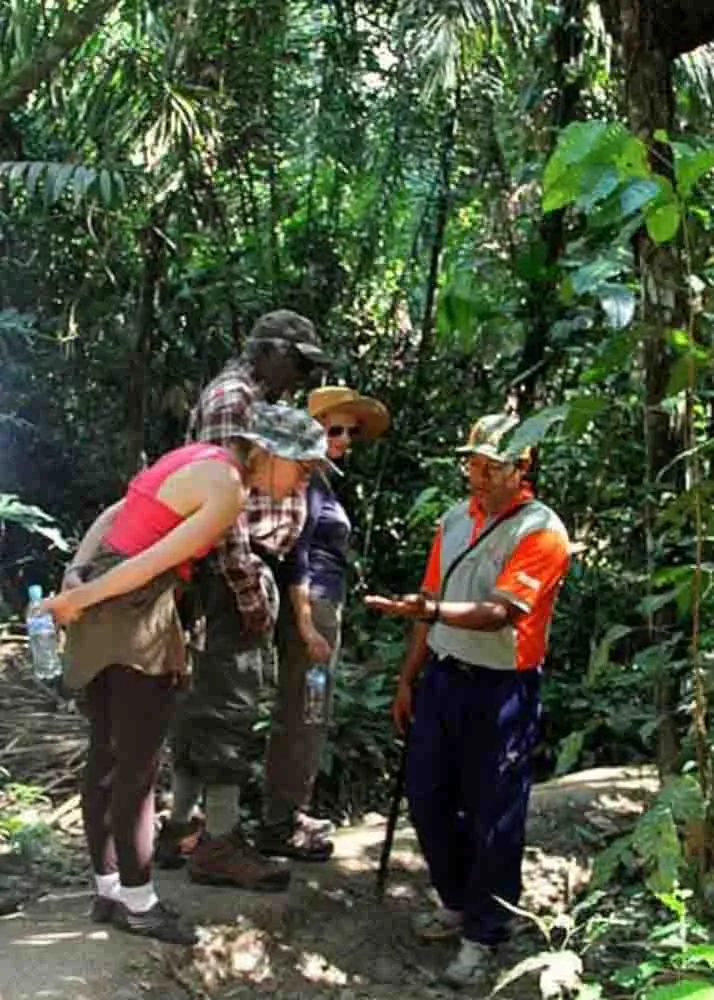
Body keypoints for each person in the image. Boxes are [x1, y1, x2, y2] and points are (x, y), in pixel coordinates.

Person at [45, 403, 334, 946]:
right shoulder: (227, 488)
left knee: (106, 756)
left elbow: (115, 512)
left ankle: (109, 890)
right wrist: (78, 595)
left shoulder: (194, 456)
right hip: (133, 612)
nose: (304, 481)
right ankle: (139, 903)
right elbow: (151, 564)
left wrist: (76, 575)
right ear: (269, 454)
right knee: (136, 765)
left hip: (104, 601)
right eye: (304, 467)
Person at [365, 413, 570, 989]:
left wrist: (425, 612)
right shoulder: (456, 520)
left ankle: (485, 933)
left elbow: (502, 613)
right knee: (427, 795)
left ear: (521, 467)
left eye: (490, 465)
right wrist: (409, 677)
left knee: (493, 814)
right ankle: (456, 901)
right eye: (471, 463)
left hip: (501, 687)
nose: (477, 475)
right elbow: (431, 598)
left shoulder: (540, 531)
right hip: (443, 678)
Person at [156, 309, 332, 890]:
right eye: (299, 363)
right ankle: (219, 845)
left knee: (208, 700)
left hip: (250, 567)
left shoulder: (253, 394)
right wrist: (246, 585)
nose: (301, 378)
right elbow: (223, 502)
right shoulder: (235, 398)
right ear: (270, 351)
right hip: (235, 568)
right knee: (229, 704)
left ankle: (181, 827)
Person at [258, 386, 390, 861]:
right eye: (334, 429)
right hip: (310, 606)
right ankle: (280, 821)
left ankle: (287, 812)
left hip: (319, 604)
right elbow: (295, 551)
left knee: (306, 710)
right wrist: (307, 624)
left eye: (350, 432)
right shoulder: (306, 479)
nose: (344, 439)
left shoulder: (321, 480)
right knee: (303, 711)